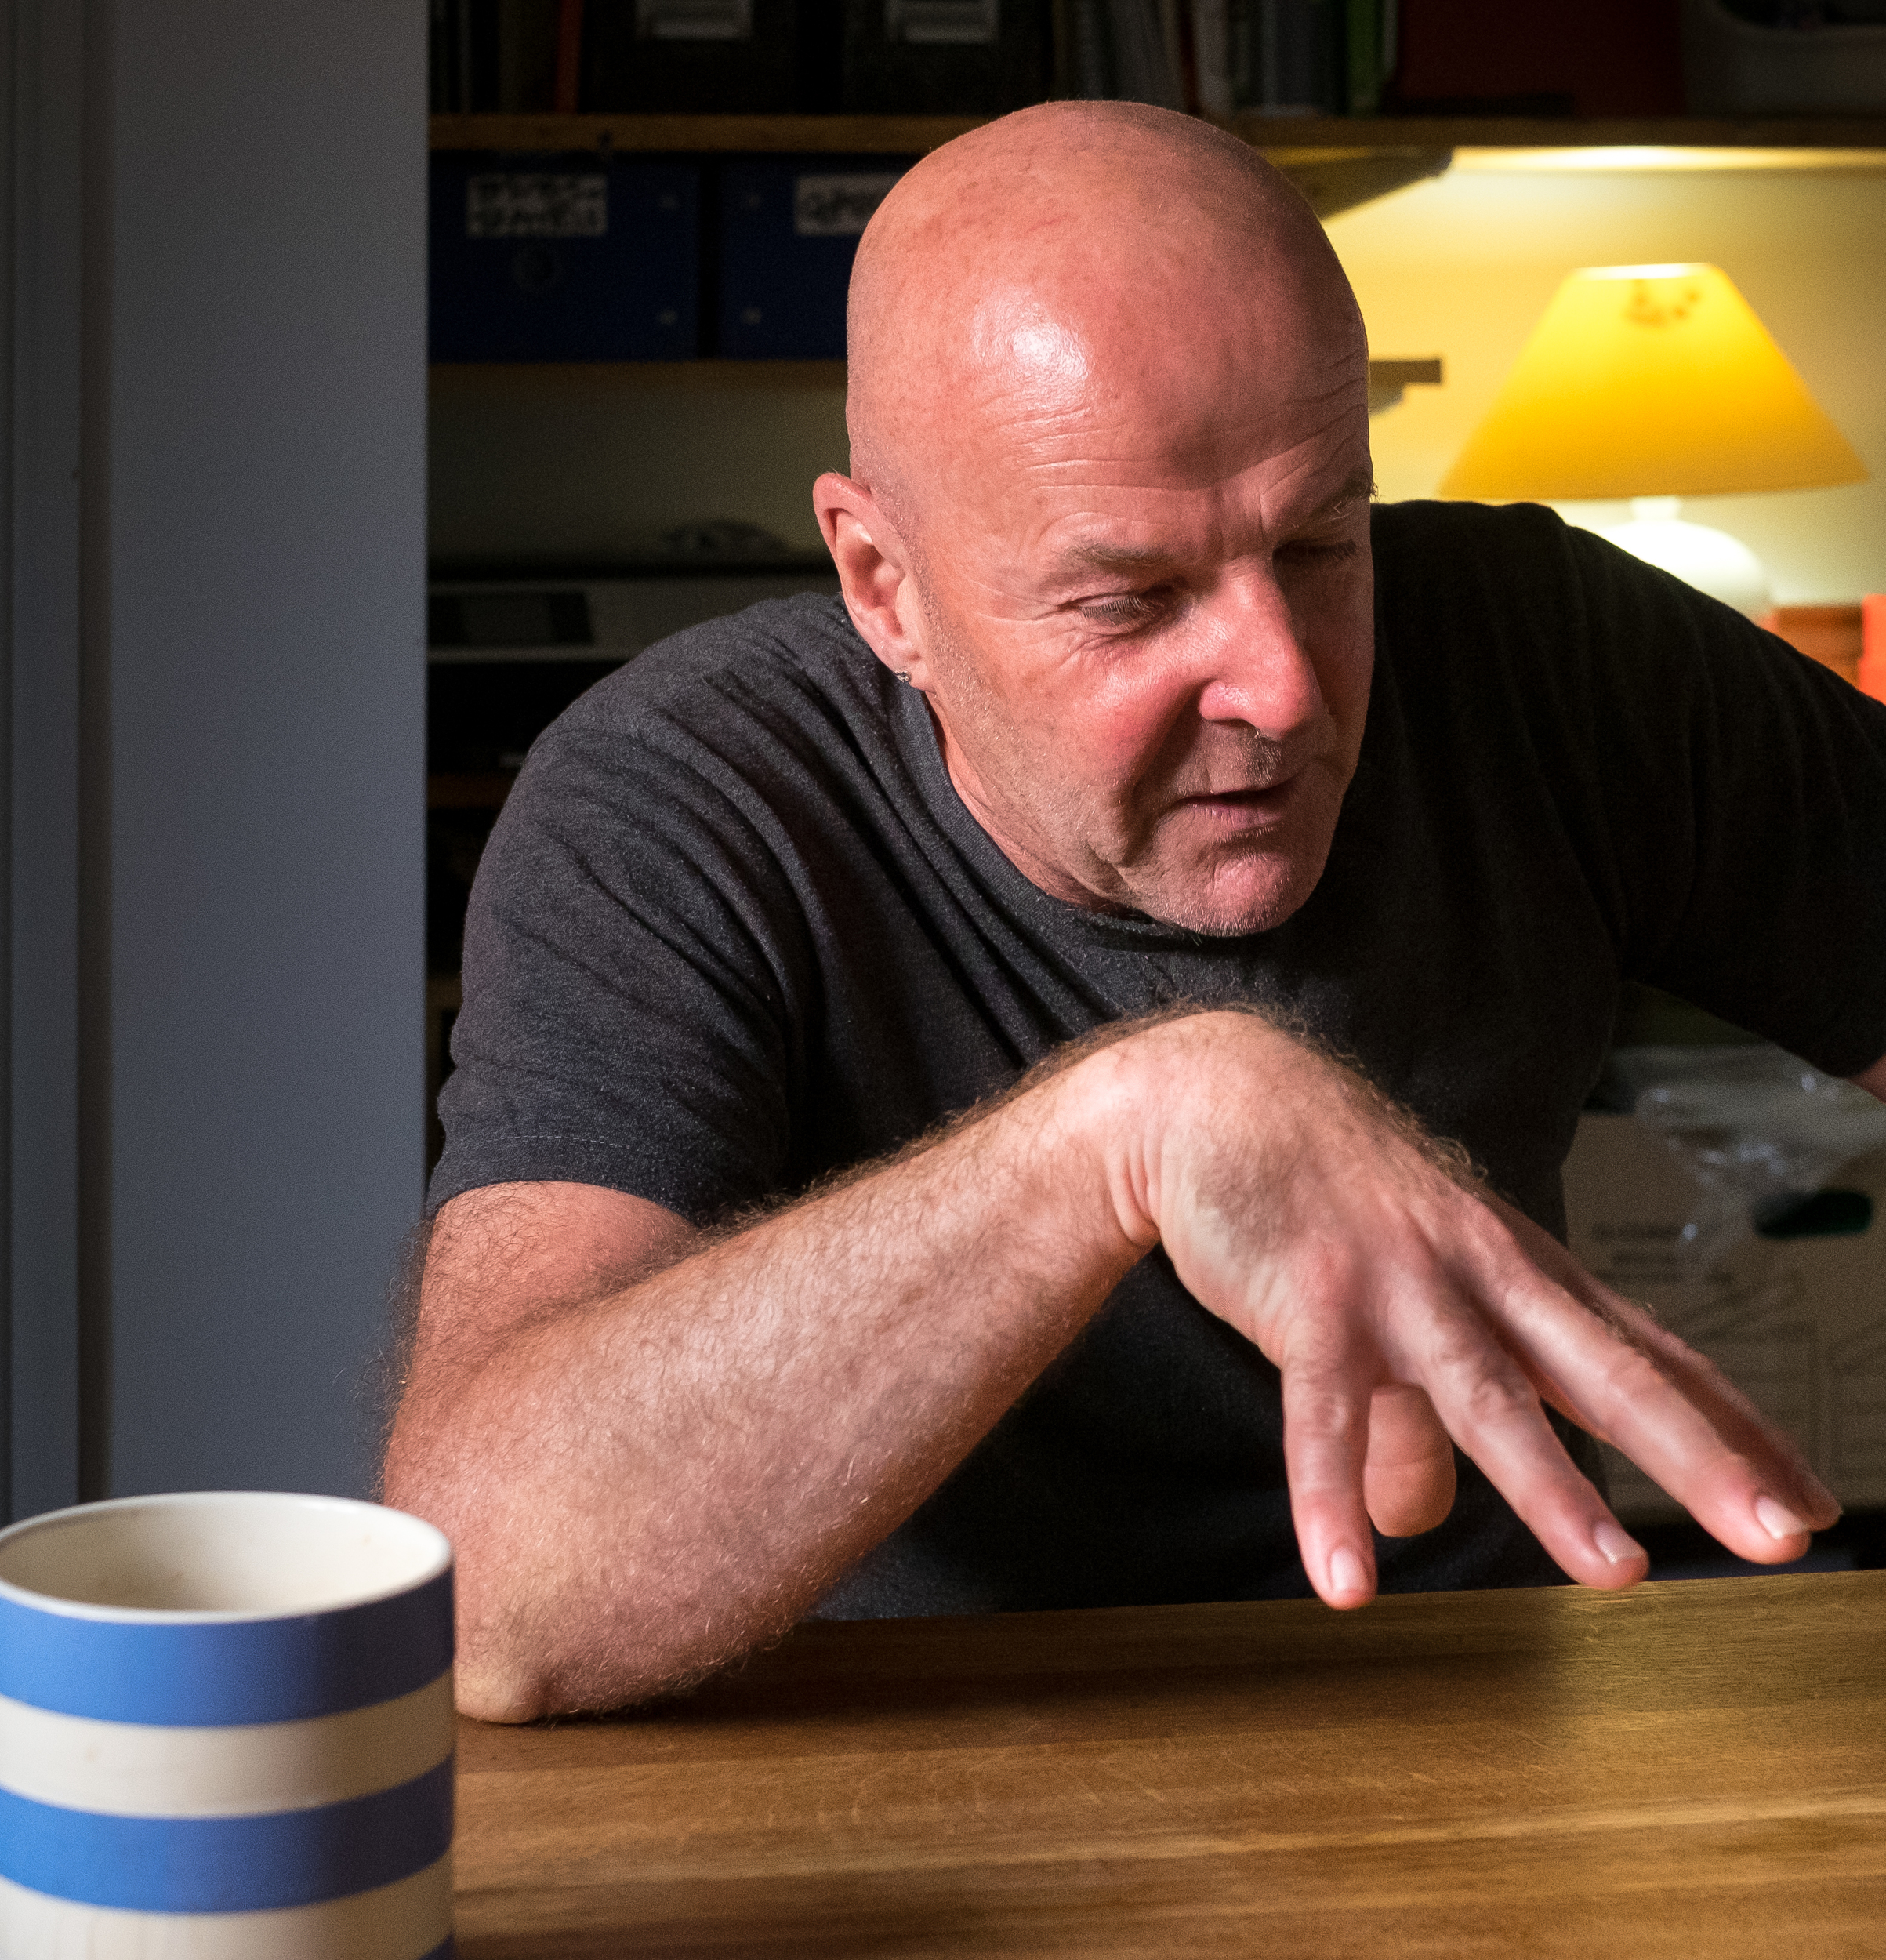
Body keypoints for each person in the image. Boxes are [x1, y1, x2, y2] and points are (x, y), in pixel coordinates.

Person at [385, 103, 1880, 1722]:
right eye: (1129, 600)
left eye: (1319, 540)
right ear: (882, 582)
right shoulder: (677, 804)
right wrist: (1119, 1133)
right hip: (898, 1779)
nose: (1285, 684)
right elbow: (488, 1598)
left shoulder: (1553, 660)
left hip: (1480, 1739)